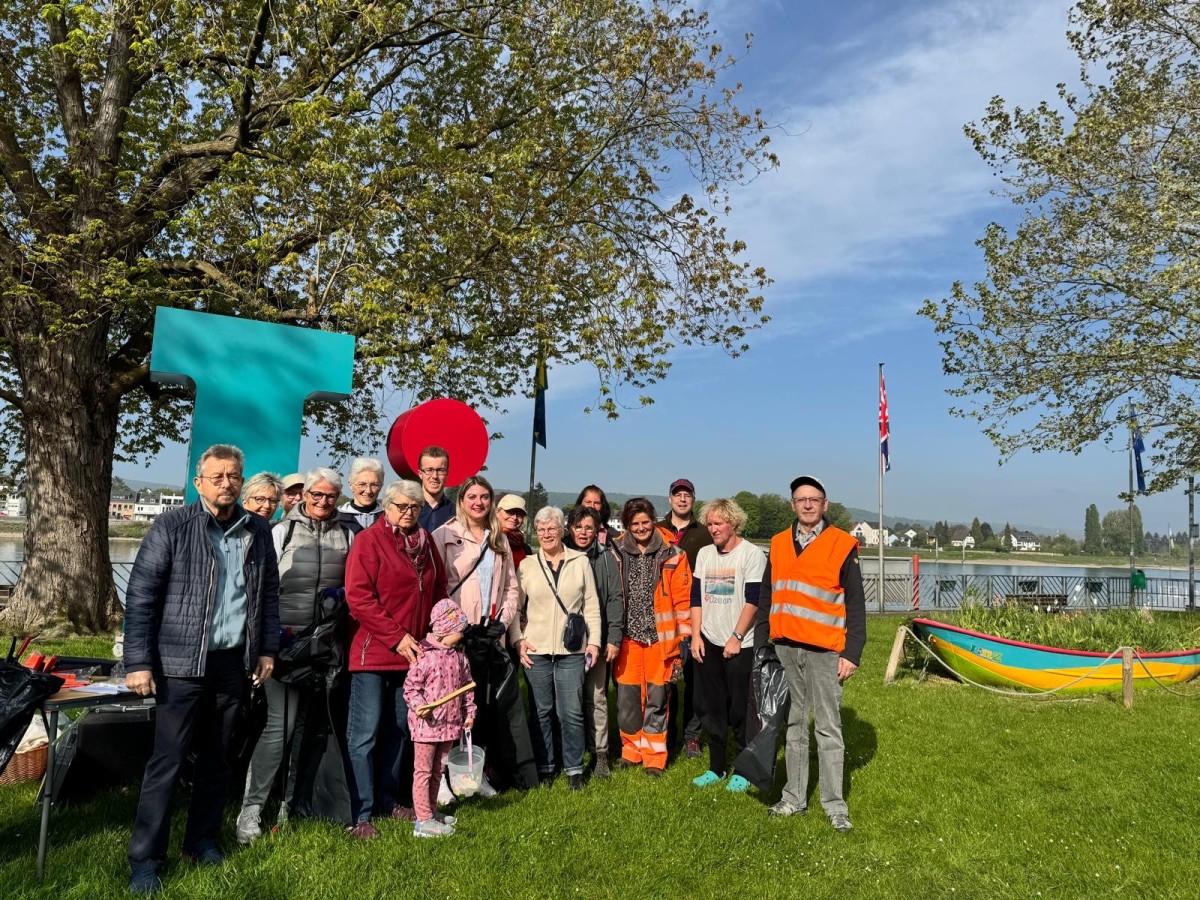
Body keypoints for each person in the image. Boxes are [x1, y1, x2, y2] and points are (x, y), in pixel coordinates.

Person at [123, 444, 280, 894]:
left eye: (234, 476)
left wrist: (266, 649)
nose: (226, 483)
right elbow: (142, 597)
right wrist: (138, 662)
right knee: (167, 763)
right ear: (199, 482)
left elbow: (267, 596)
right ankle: (147, 859)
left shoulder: (258, 530)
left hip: (233, 663)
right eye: (218, 476)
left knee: (218, 760)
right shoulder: (172, 525)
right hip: (180, 665)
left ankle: (202, 841)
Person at [237, 467, 354, 844]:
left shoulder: (349, 533)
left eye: (330, 496)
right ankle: (250, 811)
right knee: (279, 727)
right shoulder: (281, 531)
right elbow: (257, 590)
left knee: (309, 727)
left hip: (324, 646)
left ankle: (294, 803)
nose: (322, 502)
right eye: (315, 495)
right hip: (284, 644)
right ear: (304, 495)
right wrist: (261, 645)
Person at [343, 479, 447, 839]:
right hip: (374, 654)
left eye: (414, 507)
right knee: (364, 735)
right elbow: (359, 598)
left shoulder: (426, 544)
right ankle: (360, 813)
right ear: (386, 507)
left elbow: (438, 590)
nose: (407, 513)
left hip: (414, 657)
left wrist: (435, 636)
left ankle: (388, 800)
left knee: (401, 729)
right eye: (401, 506)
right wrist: (396, 636)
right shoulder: (368, 541)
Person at [764, 475, 866, 833]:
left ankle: (835, 805)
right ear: (792, 505)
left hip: (825, 650)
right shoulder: (777, 543)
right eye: (800, 499)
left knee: (827, 728)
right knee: (793, 726)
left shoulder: (842, 544)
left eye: (814, 499)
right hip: (786, 647)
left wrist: (852, 652)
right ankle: (793, 798)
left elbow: (855, 604)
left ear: (825, 504)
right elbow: (768, 594)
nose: (807, 505)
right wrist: (766, 642)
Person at [431, 476, 537, 793]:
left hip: (491, 636)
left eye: (485, 497)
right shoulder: (445, 534)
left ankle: (483, 772)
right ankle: (446, 779)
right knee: (454, 709)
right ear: (462, 500)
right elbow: (436, 587)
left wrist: (502, 623)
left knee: (488, 708)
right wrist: (456, 626)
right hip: (458, 637)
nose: (479, 502)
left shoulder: (498, 539)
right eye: (472, 496)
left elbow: (510, 589)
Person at [515, 506, 602, 790]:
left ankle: (574, 768)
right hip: (537, 649)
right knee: (541, 710)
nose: (546, 534)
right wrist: (518, 639)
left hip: (572, 651)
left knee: (571, 711)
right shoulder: (527, 565)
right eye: (541, 529)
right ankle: (546, 766)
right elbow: (515, 607)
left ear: (562, 530)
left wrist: (594, 642)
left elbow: (591, 605)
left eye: (552, 528)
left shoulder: (580, 562)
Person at [608, 498, 691, 776]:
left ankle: (655, 756)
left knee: (658, 699)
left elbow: (682, 601)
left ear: (653, 521)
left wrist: (685, 639)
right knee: (628, 700)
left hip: (661, 640)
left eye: (645, 522)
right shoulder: (615, 551)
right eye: (635, 524)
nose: (641, 528)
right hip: (628, 640)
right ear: (628, 525)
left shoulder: (674, 554)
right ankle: (631, 751)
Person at [688, 498, 766, 793]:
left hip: (740, 644)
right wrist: (696, 635)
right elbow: (696, 598)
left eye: (717, 523)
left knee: (740, 710)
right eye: (709, 524)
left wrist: (736, 636)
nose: (712, 529)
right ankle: (716, 768)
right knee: (712, 707)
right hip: (708, 640)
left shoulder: (751, 555)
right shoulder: (706, 554)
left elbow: (754, 600)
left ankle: (744, 769)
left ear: (733, 523)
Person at [403, 599, 477, 838]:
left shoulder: (459, 658)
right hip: (426, 727)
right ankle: (422, 821)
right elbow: (410, 688)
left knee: (438, 771)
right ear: (444, 630)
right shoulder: (424, 656)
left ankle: (431, 812)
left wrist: (469, 712)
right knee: (423, 771)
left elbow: (467, 687)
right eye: (458, 631)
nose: (461, 635)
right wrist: (419, 706)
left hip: (450, 725)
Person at [565, 505, 623, 778]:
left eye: (589, 527)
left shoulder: (606, 558)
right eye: (578, 527)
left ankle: (600, 753)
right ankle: (570, 751)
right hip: (564, 640)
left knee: (597, 697)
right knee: (568, 699)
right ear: (570, 528)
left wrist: (612, 638)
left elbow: (614, 599)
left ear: (598, 530)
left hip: (595, 639)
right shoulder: (559, 554)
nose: (583, 532)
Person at [660, 477, 713, 759]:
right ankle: (665, 732)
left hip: (695, 615)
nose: (682, 499)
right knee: (666, 679)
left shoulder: (704, 534)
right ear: (669, 499)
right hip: (663, 617)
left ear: (693, 500)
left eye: (687, 495)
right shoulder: (656, 530)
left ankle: (691, 736)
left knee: (694, 679)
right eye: (677, 495)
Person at [338, 457, 385, 533]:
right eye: (362, 484)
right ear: (351, 485)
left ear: (381, 486)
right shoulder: (337, 518)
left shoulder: (388, 517)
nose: (368, 491)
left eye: (374, 485)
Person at [417, 445, 455, 533]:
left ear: (447, 474)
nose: (435, 476)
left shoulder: (456, 513)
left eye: (440, 470)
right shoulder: (407, 510)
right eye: (429, 470)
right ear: (420, 473)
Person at [497, 493, 532, 568]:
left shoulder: (525, 549)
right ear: (497, 512)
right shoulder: (488, 541)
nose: (514, 517)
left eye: (519, 514)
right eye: (510, 511)